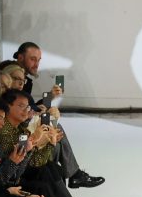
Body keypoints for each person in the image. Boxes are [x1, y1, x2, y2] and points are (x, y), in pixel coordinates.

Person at [12, 42, 104, 189]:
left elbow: (32, 107)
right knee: (55, 133)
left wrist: (50, 96)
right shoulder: (15, 79)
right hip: (21, 136)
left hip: (26, 131)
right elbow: (25, 110)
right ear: (21, 57)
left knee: (56, 140)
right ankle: (73, 176)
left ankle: (69, 181)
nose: (37, 64)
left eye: (39, 60)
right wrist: (39, 111)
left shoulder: (26, 81)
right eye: (33, 59)